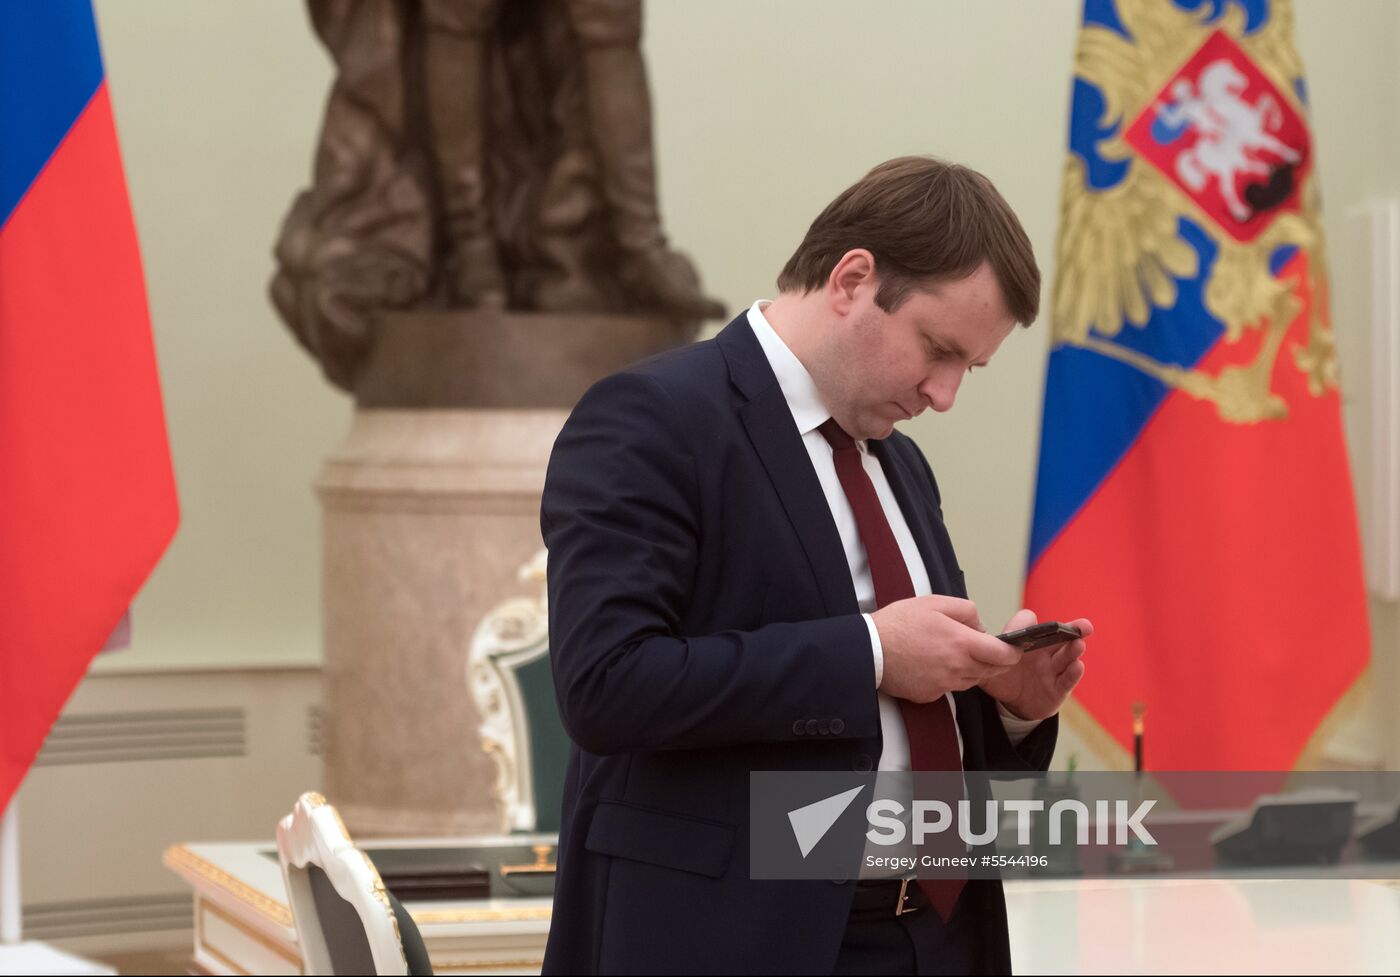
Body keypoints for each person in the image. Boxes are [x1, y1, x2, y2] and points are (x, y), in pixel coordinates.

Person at [539, 156, 1093, 975]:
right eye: (937, 350)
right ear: (852, 279)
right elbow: (606, 684)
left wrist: (1008, 707)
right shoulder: (653, 418)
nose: (944, 395)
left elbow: (897, 723)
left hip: (936, 937)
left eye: (968, 369)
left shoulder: (900, 464)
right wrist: (871, 650)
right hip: (735, 941)